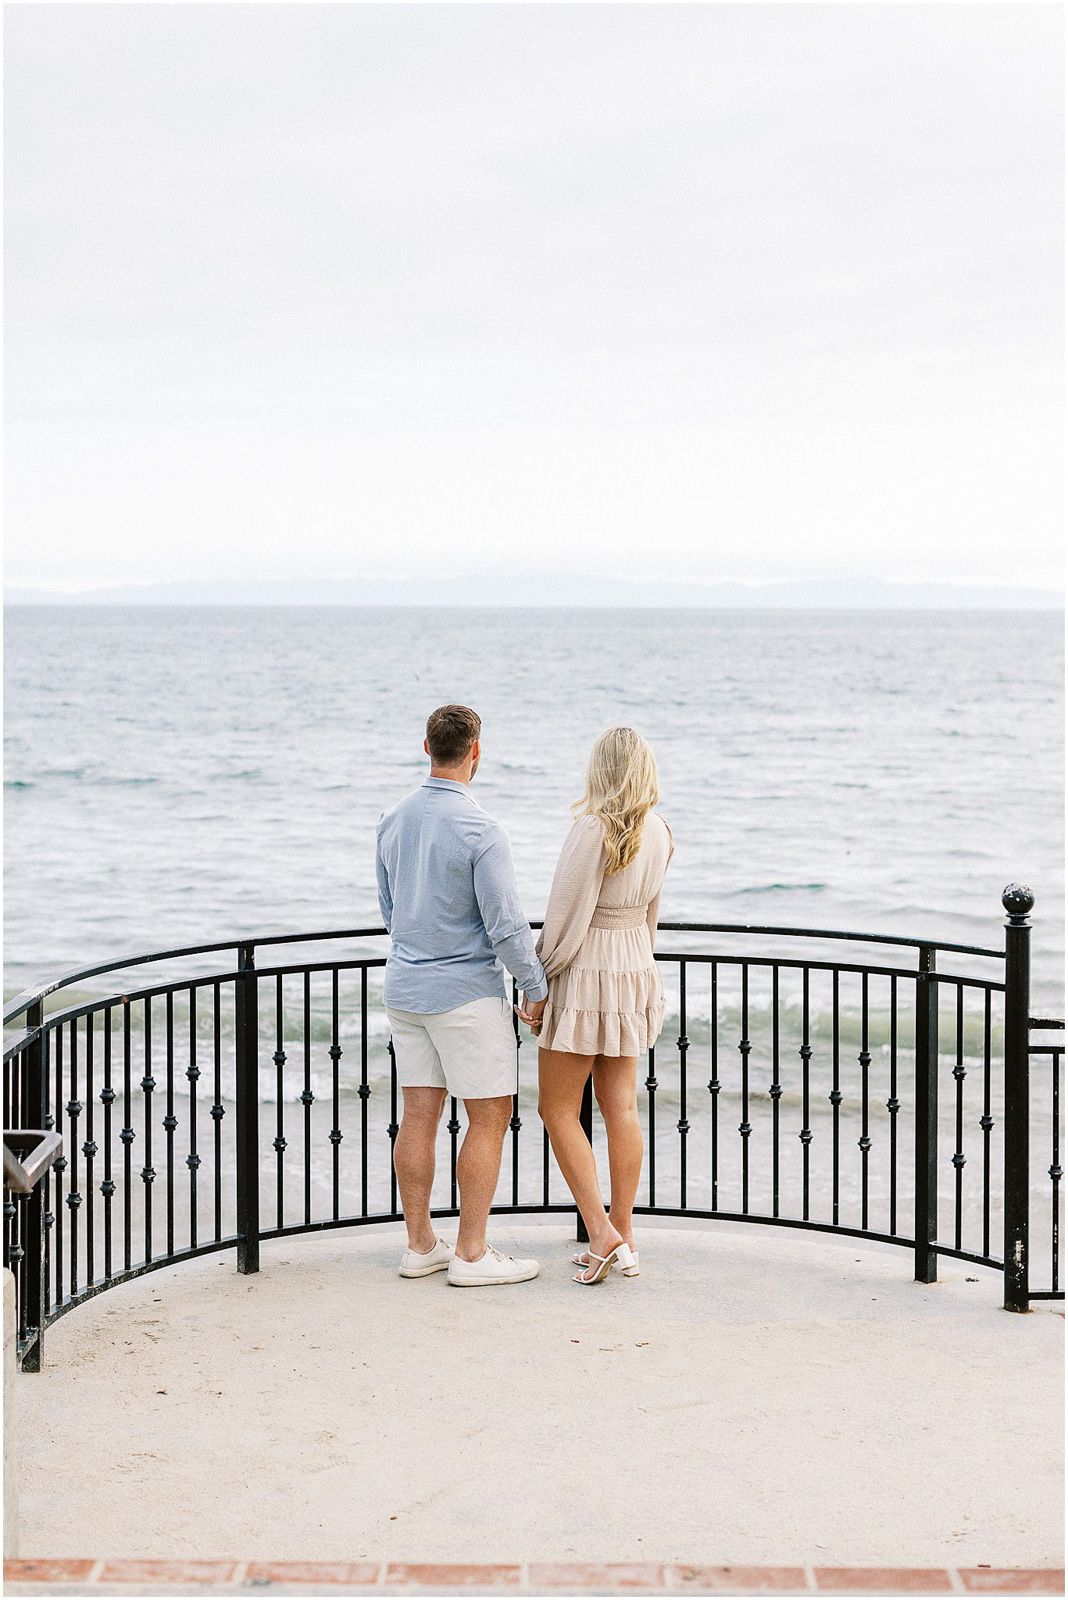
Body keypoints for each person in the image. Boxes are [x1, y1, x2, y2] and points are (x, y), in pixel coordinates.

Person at [376, 704, 547, 1287]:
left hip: (405, 988)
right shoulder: (482, 829)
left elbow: (390, 911)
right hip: (466, 996)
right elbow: (505, 925)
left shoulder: (392, 819)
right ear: (476, 752)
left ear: (426, 746)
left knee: (419, 1114)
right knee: (489, 1114)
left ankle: (420, 1244)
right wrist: (535, 985)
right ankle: (471, 1253)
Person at [519, 727, 672, 1284]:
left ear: (600, 770)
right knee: (621, 1108)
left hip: (588, 968)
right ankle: (624, 1234)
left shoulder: (593, 829)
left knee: (556, 1110)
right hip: (634, 964)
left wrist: (538, 980)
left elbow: (566, 915)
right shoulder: (660, 831)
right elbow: (651, 916)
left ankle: (602, 1234)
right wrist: (641, 973)